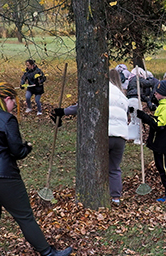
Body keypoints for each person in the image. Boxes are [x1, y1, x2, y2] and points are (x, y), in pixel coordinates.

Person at [0, 83, 73, 256]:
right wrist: (27, 147)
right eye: (14, 101)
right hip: (2, 175)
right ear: (7, 99)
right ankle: (49, 255)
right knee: (24, 216)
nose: (15, 105)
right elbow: (16, 151)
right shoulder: (6, 119)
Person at [54, 70, 130, 205]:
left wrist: (63, 111)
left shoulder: (100, 90)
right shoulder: (123, 96)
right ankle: (115, 198)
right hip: (120, 136)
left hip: (104, 134)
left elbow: (82, 106)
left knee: (95, 165)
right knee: (114, 168)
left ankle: (93, 194)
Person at [138, 80, 166, 201]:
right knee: (162, 167)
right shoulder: (163, 104)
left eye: (158, 92)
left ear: (164, 94)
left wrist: (145, 117)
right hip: (159, 142)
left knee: (164, 169)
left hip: (162, 143)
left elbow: (158, 125)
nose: (155, 93)